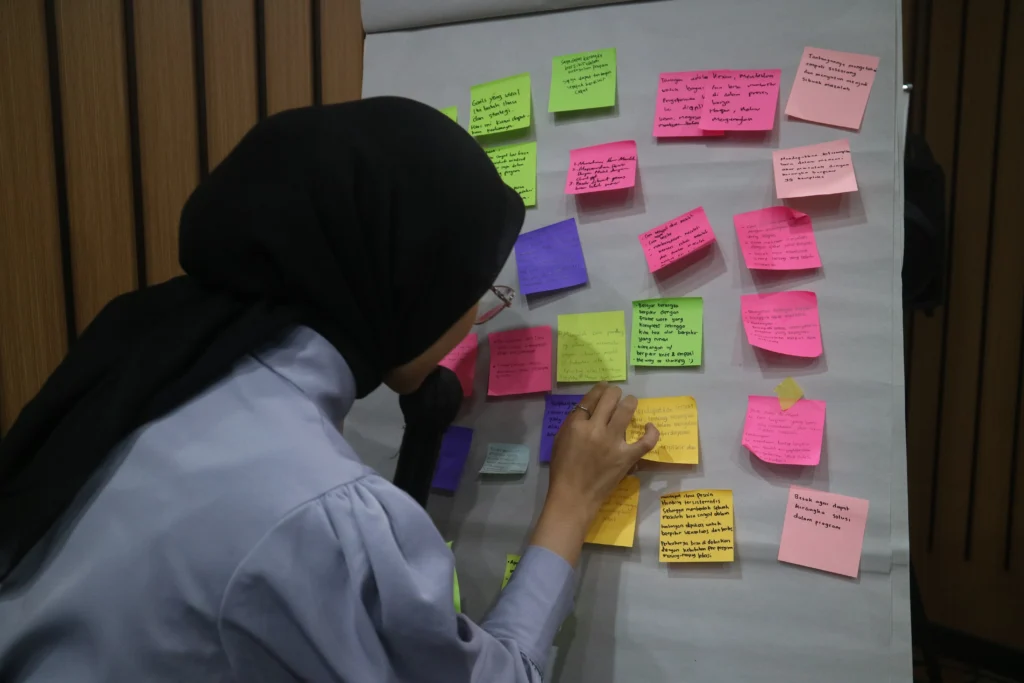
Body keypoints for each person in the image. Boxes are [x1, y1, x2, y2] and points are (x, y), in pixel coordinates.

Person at [0, 97, 658, 682]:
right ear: (409, 283)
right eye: (476, 289)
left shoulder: (138, 367)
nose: (474, 318)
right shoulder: (318, 512)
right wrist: (571, 499)